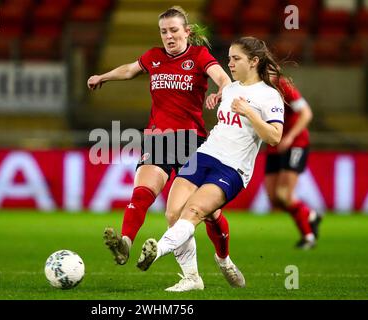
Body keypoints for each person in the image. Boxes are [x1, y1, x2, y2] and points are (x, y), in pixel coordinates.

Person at [87, 6, 231, 291]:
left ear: (187, 31)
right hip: (159, 139)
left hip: (193, 141)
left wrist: (220, 92)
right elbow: (130, 69)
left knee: (206, 213)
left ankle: (224, 259)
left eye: (174, 30)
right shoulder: (154, 57)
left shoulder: (199, 56)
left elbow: (223, 78)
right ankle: (126, 242)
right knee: (143, 192)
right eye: (164, 31)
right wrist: (102, 76)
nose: (169, 36)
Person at [136, 37, 285, 290]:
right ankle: (192, 279)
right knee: (173, 213)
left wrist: (249, 112)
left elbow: (274, 137)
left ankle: (160, 250)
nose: (230, 64)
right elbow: (226, 119)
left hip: (233, 168)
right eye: (228, 58)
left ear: (254, 61)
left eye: (236, 58)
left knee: (193, 211)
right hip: (205, 156)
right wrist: (217, 98)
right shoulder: (229, 90)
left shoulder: (269, 96)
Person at [264, 76, 322, 249]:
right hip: (274, 145)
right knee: (274, 199)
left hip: (295, 144)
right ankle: (311, 215)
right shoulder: (254, 88)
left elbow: (306, 113)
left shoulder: (282, 84)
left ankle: (308, 237)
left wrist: (289, 137)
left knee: (284, 194)